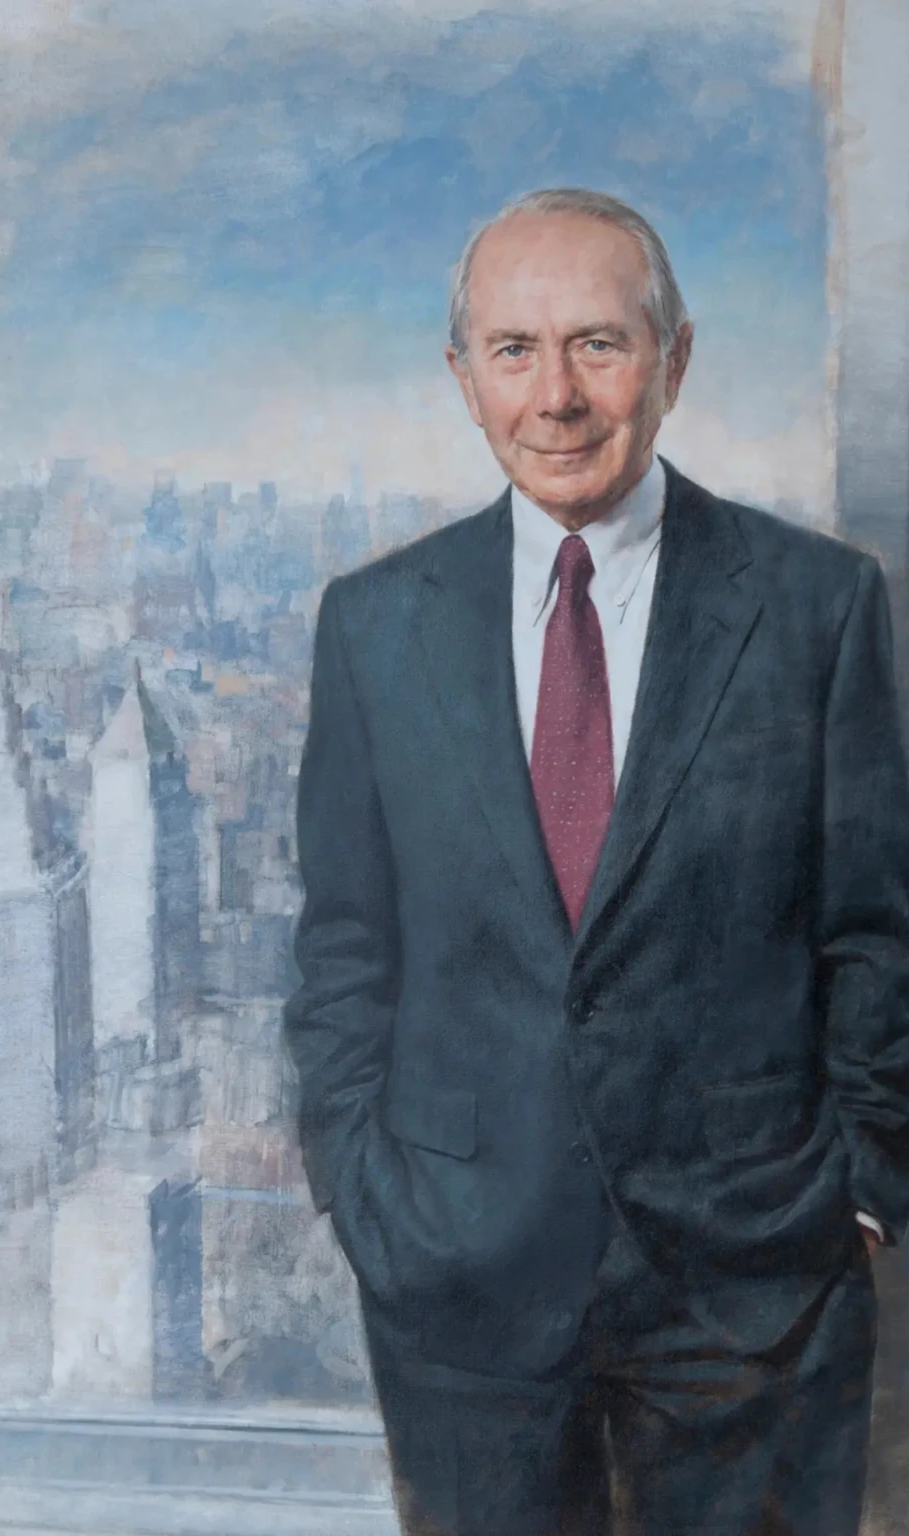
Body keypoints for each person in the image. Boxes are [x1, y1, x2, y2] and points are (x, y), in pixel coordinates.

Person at [283, 187, 909, 1535]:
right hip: (460, 1284)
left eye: (599, 345)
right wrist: (367, 1195)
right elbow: (344, 945)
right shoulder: (375, 627)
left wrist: (859, 1193)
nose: (556, 396)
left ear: (674, 359)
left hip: (758, 1283)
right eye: (514, 350)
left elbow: (877, 929)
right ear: (463, 377)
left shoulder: (818, 606)